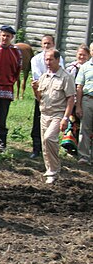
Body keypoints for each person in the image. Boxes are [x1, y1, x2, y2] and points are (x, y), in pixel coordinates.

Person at [33, 48, 76, 184]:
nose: (48, 62)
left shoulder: (66, 77)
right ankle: (50, 170)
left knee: (50, 138)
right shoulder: (44, 76)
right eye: (46, 59)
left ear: (58, 60)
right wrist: (35, 89)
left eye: (51, 59)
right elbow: (39, 98)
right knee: (45, 144)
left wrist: (65, 118)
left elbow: (70, 99)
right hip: (44, 113)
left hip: (58, 114)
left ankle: (54, 169)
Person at [28, 35, 63, 158]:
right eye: (44, 44)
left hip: (55, 94)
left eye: (49, 43)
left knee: (52, 121)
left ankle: (49, 149)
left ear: (53, 44)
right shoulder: (36, 60)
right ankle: (36, 148)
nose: (46, 46)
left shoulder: (59, 58)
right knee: (38, 121)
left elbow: (60, 74)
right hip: (41, 92)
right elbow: (38, 78)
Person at [76, 51, 93, 165]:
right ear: (91, 52)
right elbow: (79, 87)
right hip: (88, 99)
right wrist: (78, 106)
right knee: (85, 128)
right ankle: (84, 156)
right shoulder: (85, 67)